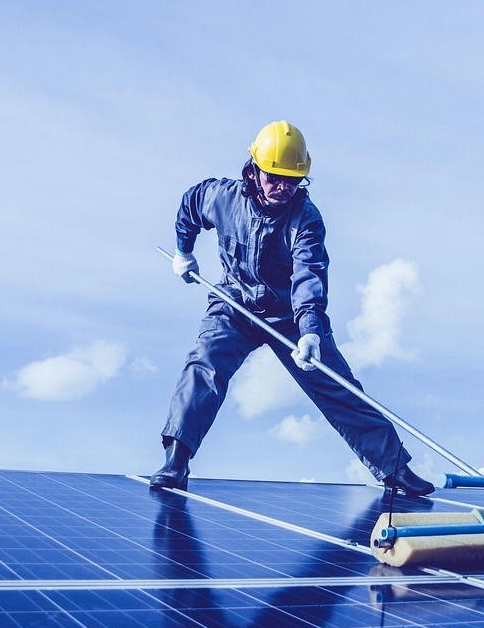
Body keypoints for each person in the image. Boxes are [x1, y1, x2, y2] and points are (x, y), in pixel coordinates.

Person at [150, 120, 434, 498]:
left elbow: (308, 275)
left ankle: (395, 468)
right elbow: (190, 205)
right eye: (275, 178)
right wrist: (184, 252)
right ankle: (176, 460)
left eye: (293, 179)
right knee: (205, 364)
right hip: (233, 305)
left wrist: (311, 331)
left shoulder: (306, 220)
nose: (284, 187)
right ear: (254, 170)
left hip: (290, 318)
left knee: (337, 384)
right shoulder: (221, 197)